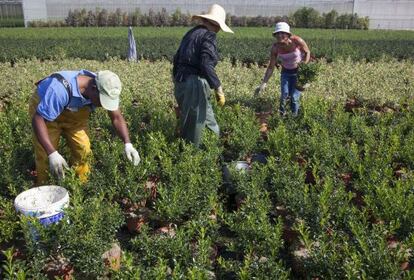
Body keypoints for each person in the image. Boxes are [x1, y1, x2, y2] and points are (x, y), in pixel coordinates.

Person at [29, 69, 140, 185]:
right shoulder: (59, 90)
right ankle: (46, 189)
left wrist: (128, 144)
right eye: (102, 101)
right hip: (46, 114)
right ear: (93, 89)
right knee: (45, 155)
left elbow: (116, 117)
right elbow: (39, 119)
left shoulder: (105, 86)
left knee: (83, 150)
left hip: (74, 117)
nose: (103, 105)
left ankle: (80, 186)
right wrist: (52, 153)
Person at [172, 4, 233, 147]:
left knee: (210, 125)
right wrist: (218, 87)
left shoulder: (191, 33)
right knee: (194, 130)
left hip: (182, 82)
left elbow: (176, 59)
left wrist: (178, 83)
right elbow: (206, 64)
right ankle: (191, 160)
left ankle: (211, 154)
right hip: (194, 84)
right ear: (217, 24)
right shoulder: (209, 35)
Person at [255, 22, 310, 116]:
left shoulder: (297, 41)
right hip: (286, 73)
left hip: (298, 72)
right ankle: (282, 117)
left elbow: (307, 52)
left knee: (294, 97)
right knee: (284, 95)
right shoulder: (275, 48)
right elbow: (271, 67)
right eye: (277, 33)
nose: (280, 35)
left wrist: (304, 69)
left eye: (282, 33)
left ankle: (294, 118)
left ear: (288, 34)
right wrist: (264, 83)